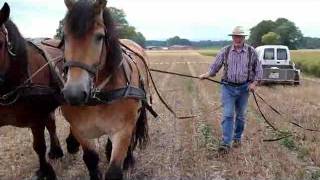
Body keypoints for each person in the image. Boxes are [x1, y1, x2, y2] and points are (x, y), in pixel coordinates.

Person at [199, 26, 262, 153]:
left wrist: (254, 83)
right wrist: (206, 75)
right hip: (228, 87)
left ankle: (237, 137)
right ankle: (226, 143)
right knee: (228, 115)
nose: (237, 39)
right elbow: (214, 68)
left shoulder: (251, 52)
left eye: (240, 36)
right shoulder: (225, 51)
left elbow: (259, 70)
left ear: (244, 38)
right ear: (232, 37)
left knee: (240, 116)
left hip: (244, 89)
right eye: (235, 36)